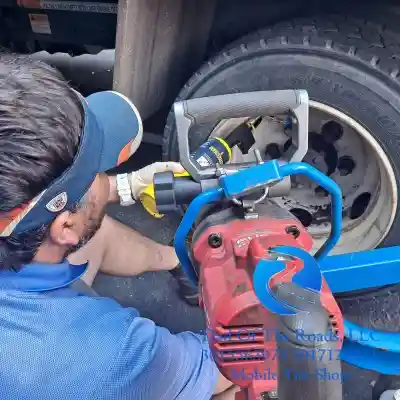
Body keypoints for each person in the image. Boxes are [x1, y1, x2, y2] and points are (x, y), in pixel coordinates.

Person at [0, 55, 237, 399]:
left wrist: (125, 187)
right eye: (99, 168)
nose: (107, 175)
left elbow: (73, 216)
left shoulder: (31, 226)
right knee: (244, 385)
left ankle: (177, 261)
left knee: (96, 232)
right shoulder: (98, 353)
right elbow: (219, 368)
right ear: (64, 225)